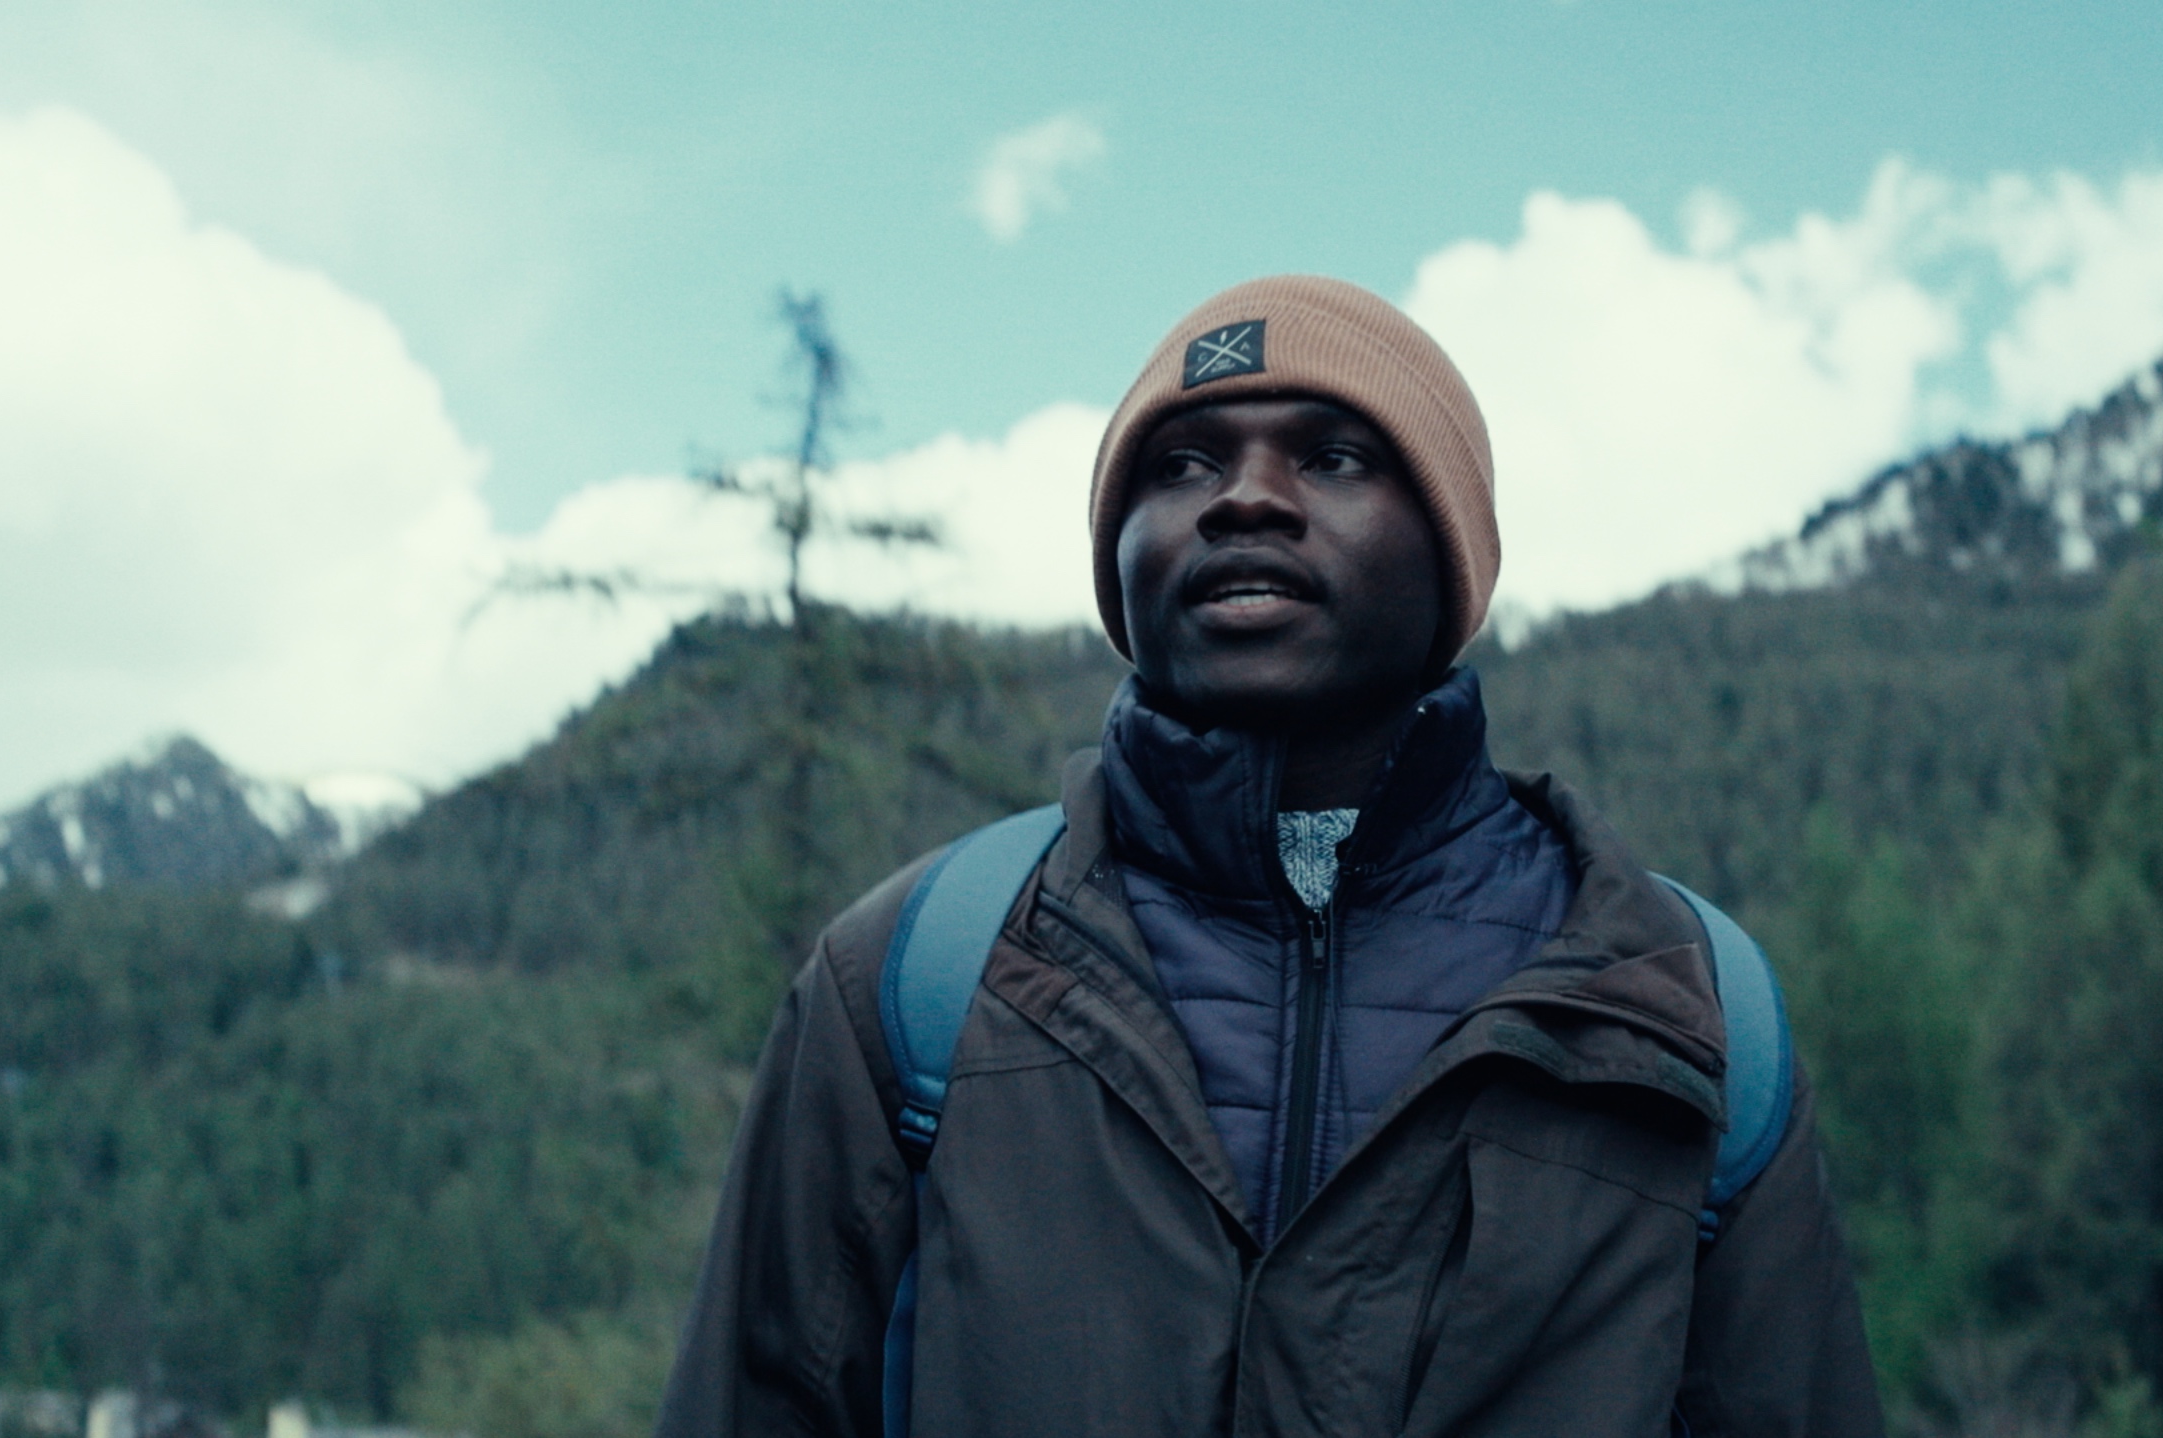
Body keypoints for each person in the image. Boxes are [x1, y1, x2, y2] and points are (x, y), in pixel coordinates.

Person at [656, 275, 1884, 1437]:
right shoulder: (912, 978)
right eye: (1181, 464)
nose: (1242, 498)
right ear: (1120, 557)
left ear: (1452, 549)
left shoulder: (1676, 1009)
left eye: (1333, 456)